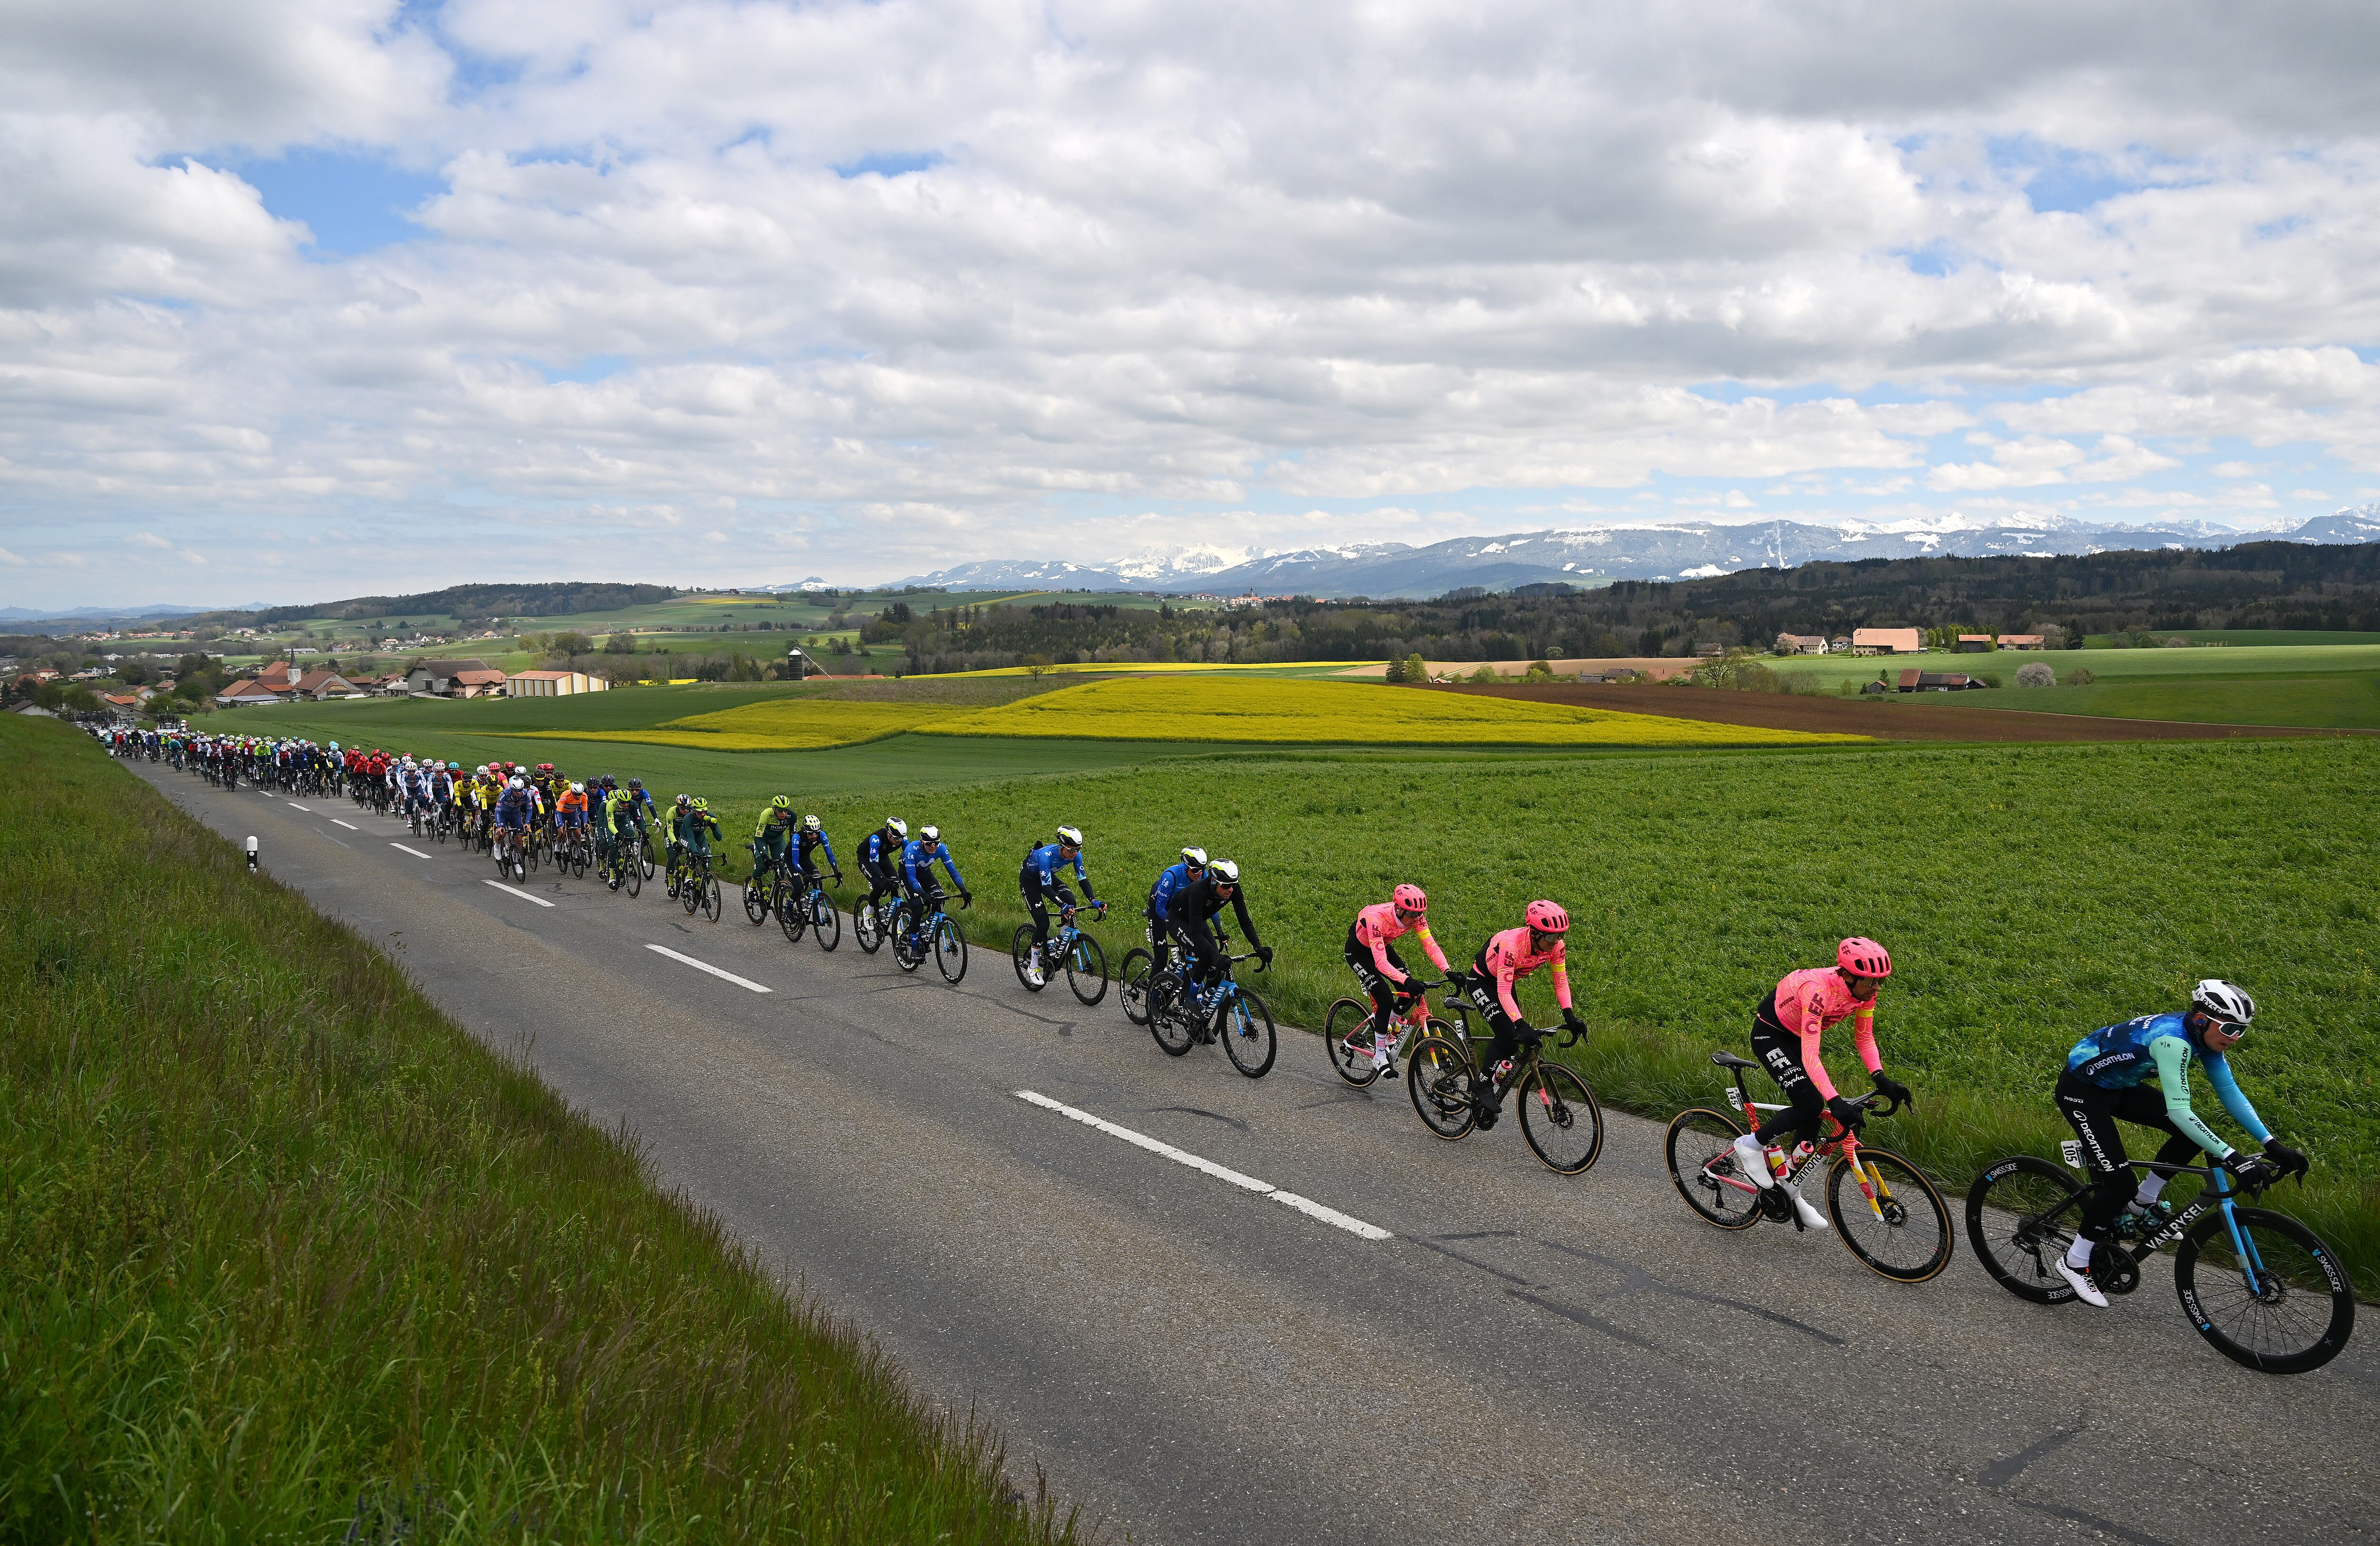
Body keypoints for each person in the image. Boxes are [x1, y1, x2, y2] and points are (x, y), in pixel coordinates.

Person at [2050, 980, 2303, 1307]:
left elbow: (2230, 1094)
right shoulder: (2173, 1042)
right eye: (2229, 1027)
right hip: (2082, 1093)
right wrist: (2231, 1155)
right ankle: (2075, 1260)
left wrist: (2271, 1143)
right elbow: (2180, 1112)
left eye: (2241, 1030)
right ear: (2202, 1019)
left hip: (2119, 1086)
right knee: (2119, 1183)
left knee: (2187, 1137)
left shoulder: (2205, 1040)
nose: (2234, 1037)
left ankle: (2143, 1204)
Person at [1727, 938, 1910, 1231]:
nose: (1877, 989)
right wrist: (1836, 1102)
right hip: (1772, 1036)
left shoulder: (1864, 995)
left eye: (1880, 983)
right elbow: (1811, 1054)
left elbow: (1864, 1038)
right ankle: (1750, 1145)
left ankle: (1790, 1190)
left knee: (1812, 1120)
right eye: (1871, 983)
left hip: (1797, 1037)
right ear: (1848, 976)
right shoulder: (1817, 991)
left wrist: (1881, 1078)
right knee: (1811, 1103)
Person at [1462, 900, 1586, 1130]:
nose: (1555, 943)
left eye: (1560, 936)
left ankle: (1496, 1071)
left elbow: (1560, 982)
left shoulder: (1557, 947)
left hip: (1506, 984)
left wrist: (1569, 1015)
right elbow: (1502, 992)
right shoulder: (1512, 945)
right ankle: (1482, 1084)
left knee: (1513, 1042)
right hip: (1482, 982)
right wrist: (1520, 1024)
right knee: (1507, 1032)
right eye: (1550, 938)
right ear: (1534, 933)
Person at [1345, 884, 1449, 1077]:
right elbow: (1381, 963)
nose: (1417, 919)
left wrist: (1448, 971)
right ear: (1399, 910)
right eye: (1412, 915)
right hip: (1359, 953)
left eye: (1420, 914)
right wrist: (1407, 980)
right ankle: (1379, 1055)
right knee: (1384, 997)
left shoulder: (1415, 917)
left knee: (1411, 993)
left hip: (1381, 946)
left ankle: (1385, 1027)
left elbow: (1430, 944)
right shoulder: (1377, 918)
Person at [1168, 858, 1271, 1019]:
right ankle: (1191, 1000)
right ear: (1214, 882)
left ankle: (1201, 1015)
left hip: (1197, 921)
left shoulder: (1232, 889)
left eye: (1234, 885)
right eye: (1225, 886)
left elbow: (1244, 920)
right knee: (1208, 954)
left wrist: (1258, 946)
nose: (1230, 889)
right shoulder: (1199, 892)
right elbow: (1195, 933)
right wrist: (1214, 956)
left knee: (1216, 966)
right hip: (1178, 921)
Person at [1020, 825, 1103, 986]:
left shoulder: (1075, 855)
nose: (1075, 853)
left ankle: (1060, 940)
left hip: (1046, 878)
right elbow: (1045, 887)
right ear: (1062, 846)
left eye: (1078, 850)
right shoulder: (1046, 856)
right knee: (1043, 923)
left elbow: (1083, 880)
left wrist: (1094, 901)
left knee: (1071, 901)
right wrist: (1061, 905)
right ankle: (1033, 966)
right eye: (1072, 850)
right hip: (1030, 881)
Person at [898, 824, 971, 942]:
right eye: (929, 844)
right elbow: (912, 879)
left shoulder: (941, 848)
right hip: (908, 876)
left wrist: (964, 890)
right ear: (922, 842)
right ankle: (914, 946)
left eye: (936, 843)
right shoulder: (912, 850)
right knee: (917, 908)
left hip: (925, 874)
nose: (933, 846)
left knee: (939, 899)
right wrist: (924, 894)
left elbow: (953, 872)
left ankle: (927, 927)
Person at [1145, 846, 1207, 976]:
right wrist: (1175, 925)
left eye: (1202, 870)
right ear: (1185, 867)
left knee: (1191, 949)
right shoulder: (1171, 876)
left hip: (1179, 909)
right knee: (1161, 958)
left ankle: (1175, 975)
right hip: (1159, 911)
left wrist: (1220, 931)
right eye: (1195, 870)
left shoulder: (1202, 876)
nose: (1199, 874)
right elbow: (1160, 908)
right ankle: (1152, 990)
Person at [857, 817, 908, 926]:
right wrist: (883, 879)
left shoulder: (903, 839)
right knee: (880, 885)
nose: (900, 840)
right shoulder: (877, 839)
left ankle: (889, 911)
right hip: (866, 859)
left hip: (883, 857)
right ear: (889, 834)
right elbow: (873, 862)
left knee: (895, 884)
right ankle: (868, 911)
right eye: (897, 837)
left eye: (902, 838)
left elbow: (908, 858)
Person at [753, 795, 798, 891]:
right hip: (763, 839)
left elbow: (793, 838)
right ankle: (752, 886)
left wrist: (793, 853)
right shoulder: (766, 814)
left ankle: (779, 892)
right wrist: (765, 856)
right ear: (774, 809)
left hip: (778, 841)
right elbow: (758, 837)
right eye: (780, 810)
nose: (784, 813)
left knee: (782, 866)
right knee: (763, 866)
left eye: (786, 810)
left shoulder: (792, 816)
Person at [794, 814, 841, 897]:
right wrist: (804, 874)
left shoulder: (822, 836)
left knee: (818, 881)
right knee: (799, 888)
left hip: (805, 859)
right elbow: (795, 861)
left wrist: (836, 871)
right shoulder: (797, 837)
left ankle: (815, 906)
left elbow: (830, 855)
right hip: (792, 861)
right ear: (805, 831)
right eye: (812, 833)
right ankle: (789, 909)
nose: (815, 836)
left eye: (817, 833)